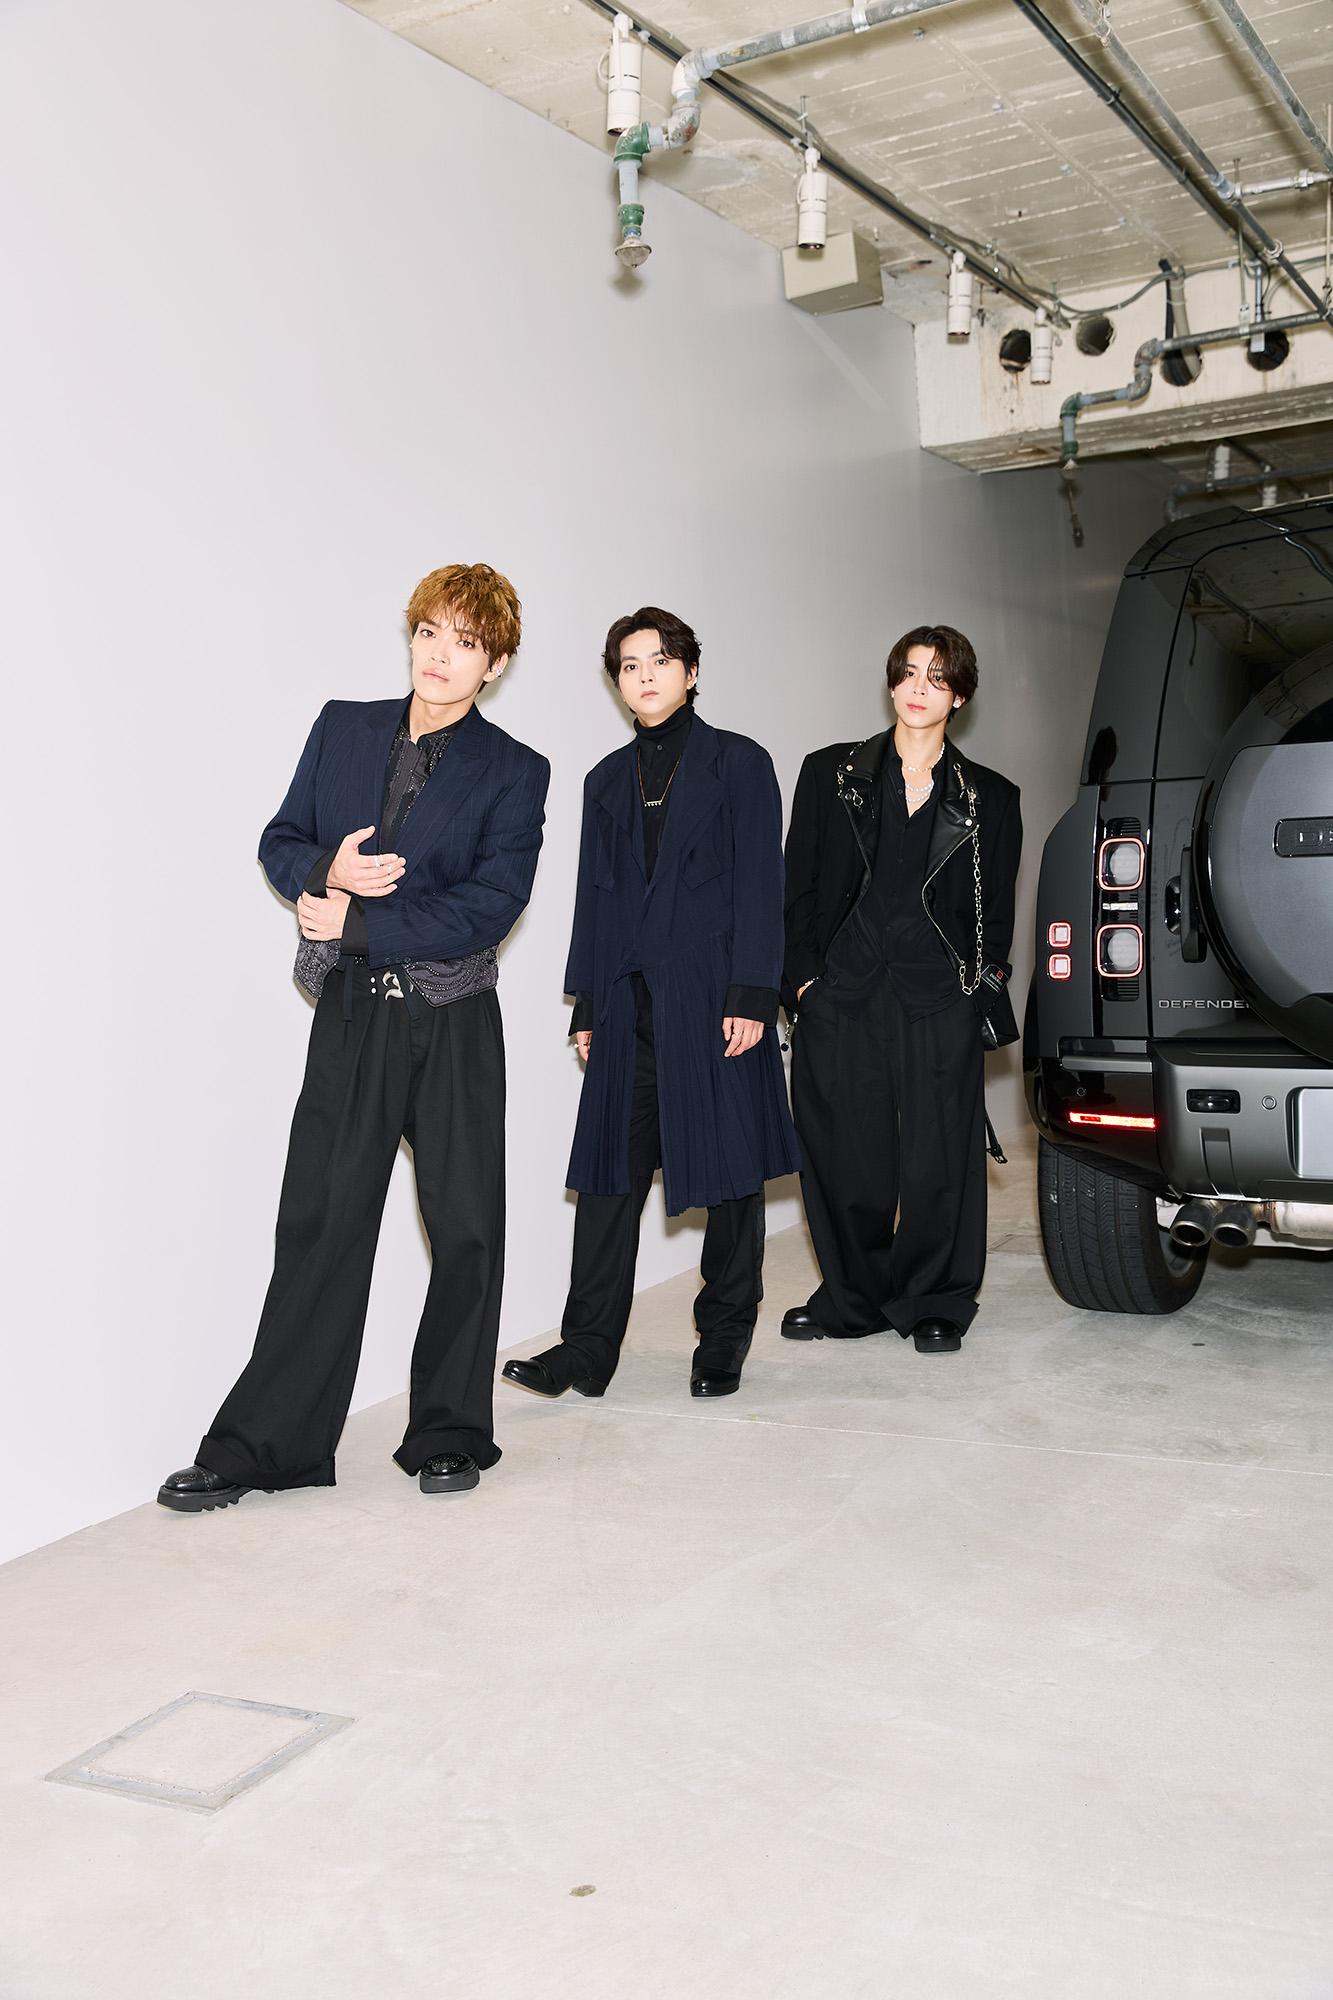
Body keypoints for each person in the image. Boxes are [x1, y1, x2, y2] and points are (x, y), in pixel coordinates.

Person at [158, 563, 549, 1510]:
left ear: (495, 664)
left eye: (464, 642)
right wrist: (321, 870)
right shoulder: (342, 727)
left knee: (466, 1228)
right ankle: (265, 1446)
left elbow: (491, 906)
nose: (439, 655)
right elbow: (280, 838)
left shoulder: (515, 769)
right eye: (429, 633)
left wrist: (360, 923)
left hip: (453, 1020)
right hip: (351, 1014)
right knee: (320, 1223)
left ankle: (449, 1432)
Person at [502, 608, 800, 1403]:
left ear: (690, 672)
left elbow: (761, 886)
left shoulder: (739, 763)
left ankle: (724, 1338)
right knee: (607, 1179)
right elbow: (594, 901)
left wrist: (752, 993)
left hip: (715, 1000)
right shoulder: (604, 781)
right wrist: (585, 1005)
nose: (644, 675)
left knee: (729, 1175)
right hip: (627, 1004)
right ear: (617, 682)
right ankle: (586, 1349)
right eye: (629, 665)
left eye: (660, 660)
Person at [781, 623, 1021, 1355]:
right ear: (892, 683)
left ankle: (935, 1298)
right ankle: (852, 1297)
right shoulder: (831, 774)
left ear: (959, 697)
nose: (920, 688)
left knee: (937, 1160)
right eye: (910, 672)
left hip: (936, 999)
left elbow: (995, 916)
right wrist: (804, 984)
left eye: (938, 677)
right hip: (841, 994)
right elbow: (797, 889)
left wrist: (975, 993)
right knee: (844, 1156)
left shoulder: (990, 797)